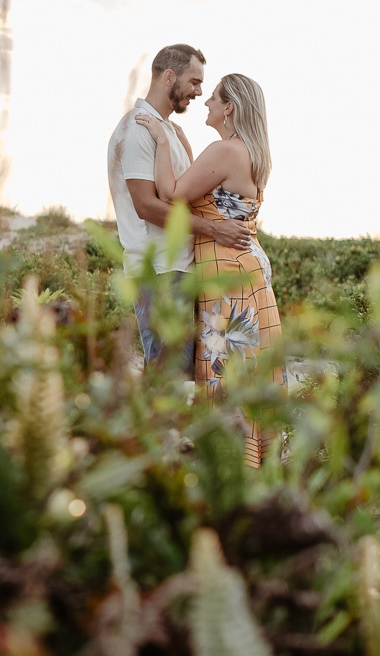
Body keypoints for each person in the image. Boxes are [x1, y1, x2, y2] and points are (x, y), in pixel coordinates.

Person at [134, 72, 285, 468]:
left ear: (229, 107)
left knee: (227, 370)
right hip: (248, 269)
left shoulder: (225, 153)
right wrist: (182, 141)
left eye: (213, 97)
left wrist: (164, 139)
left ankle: (232, 469)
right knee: (252, 371)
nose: (206, 102)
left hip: (228, 275)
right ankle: (258, 468)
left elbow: (171, 193)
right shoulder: (245, 150)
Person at [107, 44, 250, 372]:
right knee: (166, 373)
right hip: (157, 270)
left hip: (180, 269)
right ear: (168, 76)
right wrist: (215, 230)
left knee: (184, 372)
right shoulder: (138, 129)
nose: (199, 92)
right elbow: (146, 206)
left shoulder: (169, 131)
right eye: (194, 81)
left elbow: (186, 195)